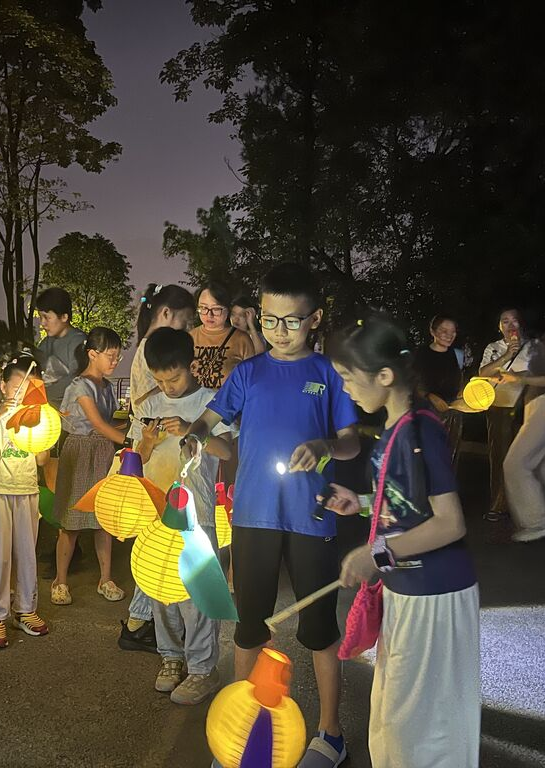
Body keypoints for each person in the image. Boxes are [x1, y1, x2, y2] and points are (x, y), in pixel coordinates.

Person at [183, 263, 360, 767]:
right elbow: (212, 418)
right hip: (253, 514)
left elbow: (350, 443)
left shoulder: (329, 375)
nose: (278, 332)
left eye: (291, 321)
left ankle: (331, 733)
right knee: (249, 625)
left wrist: (325, 444)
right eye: (268, 320)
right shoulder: (247, 373)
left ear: (315, 319)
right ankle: (239, 732)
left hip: (312, 517)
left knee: (319, 628)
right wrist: (195, 435)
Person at [323, 310, 480, 768]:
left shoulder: (419, 430)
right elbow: (407, 503)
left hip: (434, 594)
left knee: (422, 722)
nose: (346, 389)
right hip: (407, 589)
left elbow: (450, 522)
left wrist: (377, 553)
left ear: (385, 375)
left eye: (349, 379)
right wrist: (363, 501)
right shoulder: (394, 430)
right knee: (396, 713)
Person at [129, 328, 235, 705]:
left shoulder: (211, 402)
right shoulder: (148, 403)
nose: (167, 387)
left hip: (197, 512)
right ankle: (171, 658)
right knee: (162, 593)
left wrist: (194, 430)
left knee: (197, 595)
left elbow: (225, 451)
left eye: (173, 378)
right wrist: (146, 442)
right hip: (157, 514)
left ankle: (204, 668)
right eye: (159, 379)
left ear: (190, 365)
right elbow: (134, 458)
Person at [119, 283, 197, 651]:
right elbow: (149, 411)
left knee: (155, 548)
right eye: (183, 325)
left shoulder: (144, 350)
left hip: (155, 457)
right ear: (166, 314)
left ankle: (143, 622)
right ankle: (139, 623)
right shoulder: (151, 353)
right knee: (155, 550)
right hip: (154, 457)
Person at [0, 355, 51, 649]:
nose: (19, 395)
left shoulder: (39, 418)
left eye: (27, 389)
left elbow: (42, 459)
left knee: (27, 553)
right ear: (3, 386)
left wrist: (42, 432)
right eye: (15, 388)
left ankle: (26, 609)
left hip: (27, 490)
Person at [51, 327, 127, 605]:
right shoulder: (79, 386)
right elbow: (97, 422)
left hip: (103, 452)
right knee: (71, 523)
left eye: (118, 357)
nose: (115, 362)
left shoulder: (106, 387)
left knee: (103, 521)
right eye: (111, 356)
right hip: (81, 452)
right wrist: (129, 440)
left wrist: (136, 425)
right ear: (92, 354)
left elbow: (112, 421)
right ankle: (60, 581)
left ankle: (105, 579)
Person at [501, 332, 545, 541]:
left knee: (515, 464)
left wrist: (518, 378)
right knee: (541, 464)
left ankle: (539, 521)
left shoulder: (541, 343)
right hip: (544, 407)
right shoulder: (539, 347)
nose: (511, 329)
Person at [478, 308, 534, 522]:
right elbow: (483, 373)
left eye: (515, 321)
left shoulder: (533, 347)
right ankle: (499, 505)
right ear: (499, 327)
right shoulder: (493, 348)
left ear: (521, 324)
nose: (510, 325)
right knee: (500, 458)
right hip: (499, 408)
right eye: (505, 321)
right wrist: (507, 356)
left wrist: (511, 375)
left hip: (527, 407)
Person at [35, 287, 88, 493]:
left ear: (64, 316)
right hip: (47, 418)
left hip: (69, 420)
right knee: (48, 469)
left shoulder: (79, 343)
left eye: (46, 317)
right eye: (41, 317)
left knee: (64, 475)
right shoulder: (45, 343)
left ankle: (65, 518)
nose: (42, 323)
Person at [131, 284, 196, 409]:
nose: (189, 329)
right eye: (186, 322)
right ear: (166, 313)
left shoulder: (148, 346)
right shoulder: (152, 349)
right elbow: (140, 403)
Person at [414, 315, 465, 468]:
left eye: (453, 331)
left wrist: (462, 396)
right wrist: (430, 396)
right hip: (426, 412)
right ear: (433, 331)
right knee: (425, 457)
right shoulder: (420, 354)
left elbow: (461, 380)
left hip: (452, 413)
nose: (449, 335)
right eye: (444, 330)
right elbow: (412, 383)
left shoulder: (458, 355)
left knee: (447, 456)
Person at [190, 281, 255, 390]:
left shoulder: (241, 339)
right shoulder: (190, 337)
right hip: (195, 405)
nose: (209, 315)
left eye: (216, 309)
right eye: (203, 308)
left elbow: (251, 379)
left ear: (228, 308)